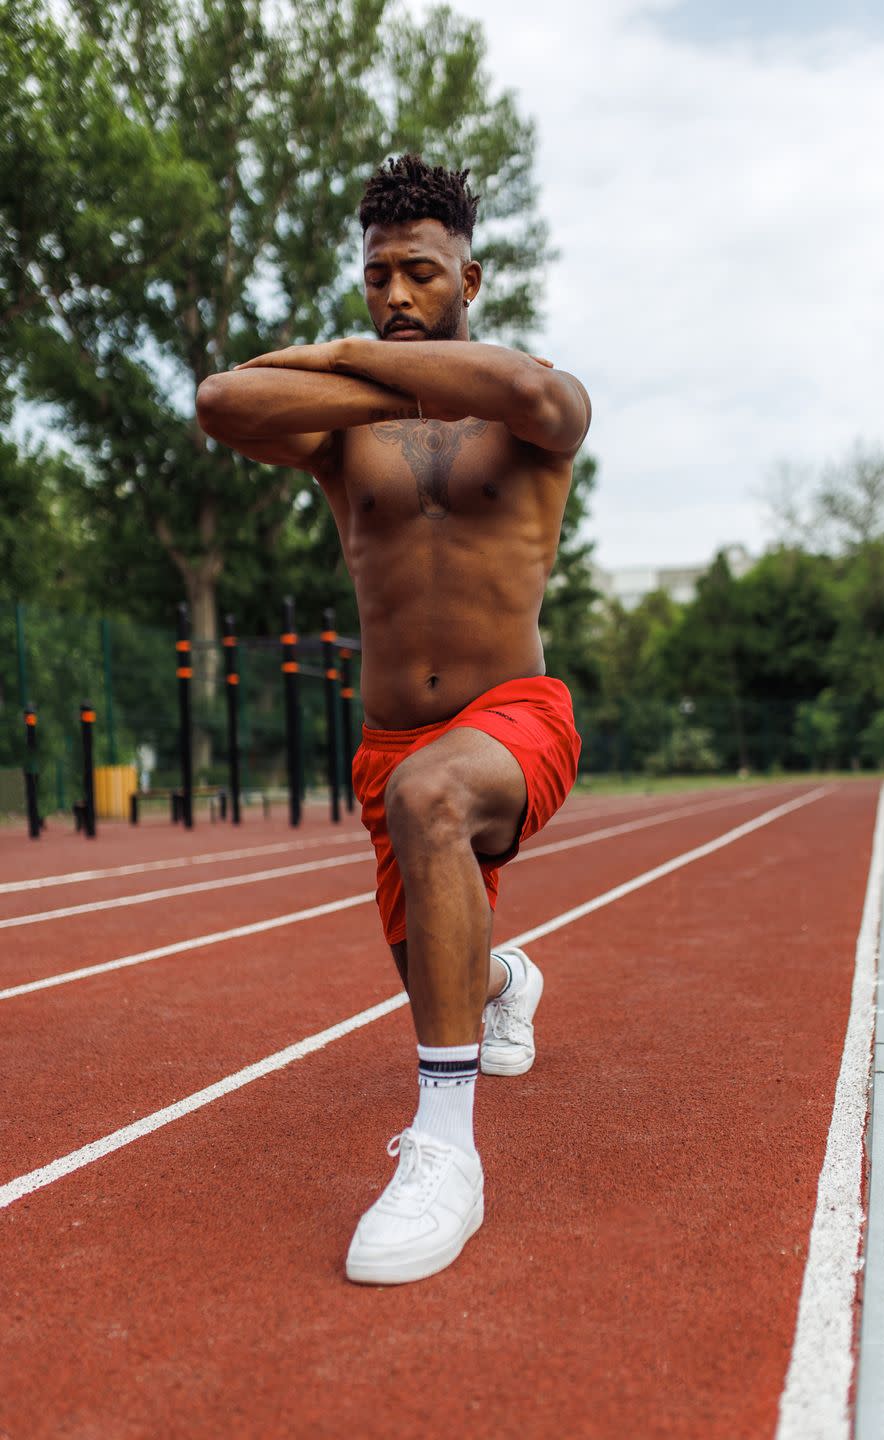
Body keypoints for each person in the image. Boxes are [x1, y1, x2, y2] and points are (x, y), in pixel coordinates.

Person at [195, 154, 591, 1285]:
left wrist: (342, 359)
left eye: (421, 273)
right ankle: (507, 982)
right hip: (388, 745)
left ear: (473, 274)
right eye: (376, 279)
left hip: (517, 717)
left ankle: (446, 1157)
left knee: (437, 799)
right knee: (439, 977)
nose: (396, 297)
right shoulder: (345, 436)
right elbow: (223, 402)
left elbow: (534, 398)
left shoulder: (533, 405)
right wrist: (381, 374)